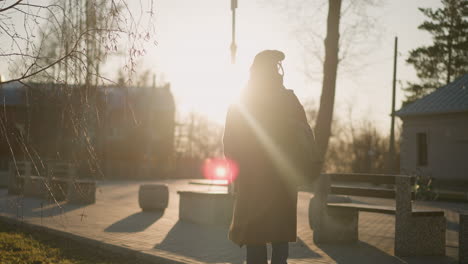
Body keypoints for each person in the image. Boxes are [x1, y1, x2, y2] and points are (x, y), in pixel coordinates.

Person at [223, 50, 322, 264]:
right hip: (281, 181)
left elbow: (230, 143)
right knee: (279, 244)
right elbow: (305, 135)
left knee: (255, 243)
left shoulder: (242, 100)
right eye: (276, 66)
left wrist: (237, 175)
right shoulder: (288, 99)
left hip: (253, 182)